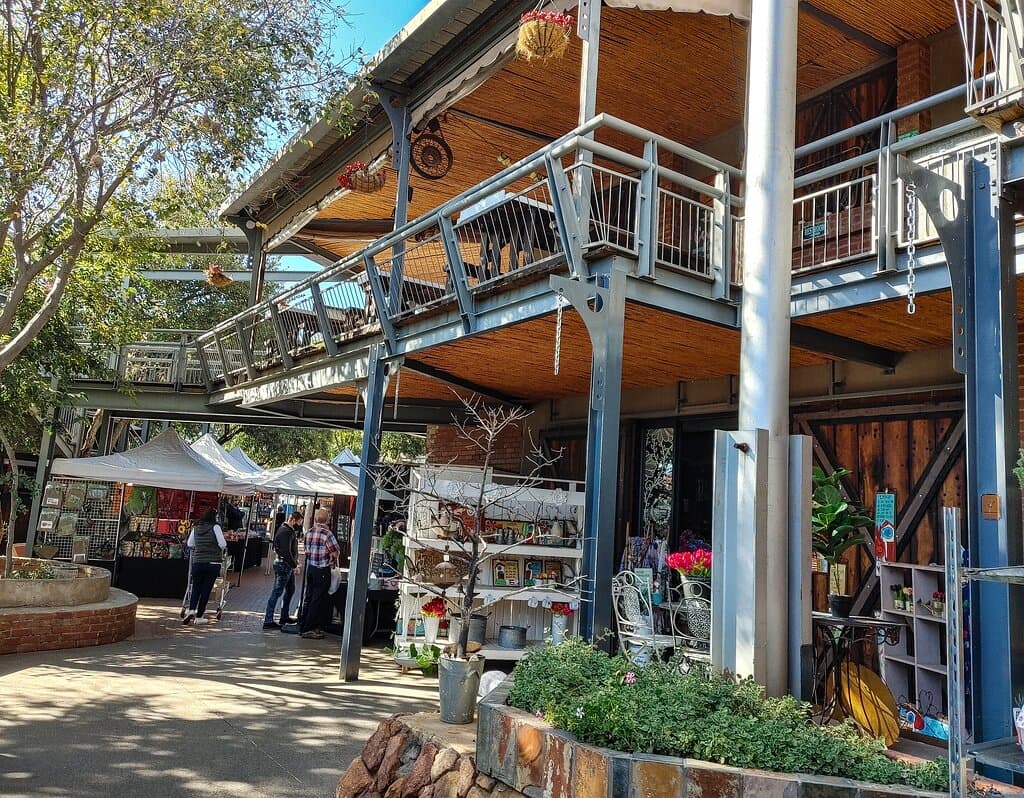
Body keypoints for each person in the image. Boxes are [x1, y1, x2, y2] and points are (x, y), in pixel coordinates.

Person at [299, 508, 339, 639]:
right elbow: (335, 552)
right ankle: (310, 628)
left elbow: (306, 550)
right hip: (322, 569)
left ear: (316, 519)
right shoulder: (327, 534)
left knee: (308, 597)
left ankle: (303, 624)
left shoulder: (309, 533)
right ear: (327, 519)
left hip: (311, 568)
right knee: (317, 599)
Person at [184, 508, 227, 626]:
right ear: (215, 517)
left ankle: (191, 610)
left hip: (198, 562)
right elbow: (223, 544)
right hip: (213, 563)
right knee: (206, 590)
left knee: (196, 587)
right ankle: (199, 616)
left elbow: (190, 543)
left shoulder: (196, 527)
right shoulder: (216, 527)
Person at [263, 511, 302, 630]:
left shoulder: (283, 529)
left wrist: (294, 562)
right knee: (277, 591)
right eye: (299, 521)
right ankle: (268, 619)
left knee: (290, 589)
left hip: (285, 564)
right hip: (284, 565)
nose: (300, 525)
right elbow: (286, 551)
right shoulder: (286, 531)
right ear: (294, 520)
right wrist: (294, 565)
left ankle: (284, 616)